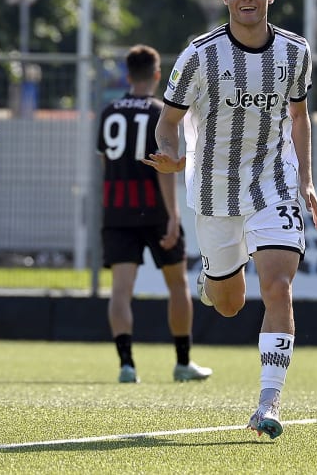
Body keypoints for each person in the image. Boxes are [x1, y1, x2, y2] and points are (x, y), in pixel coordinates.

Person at [142, 0, 317, 440]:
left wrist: (305, 179)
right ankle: (214, 278)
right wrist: (174, 156)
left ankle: (268, 403)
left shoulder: (295, 51)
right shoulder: (199, 56)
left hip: (274, 184)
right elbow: (169, 122)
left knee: (279, 288)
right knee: (228, 304)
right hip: (215, 192)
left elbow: (300, 116)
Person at [97, 44, 212, 384]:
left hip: (117, 212)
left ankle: (126, 365)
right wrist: (173, 216)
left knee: (120, 291)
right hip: (155, 212)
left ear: (128, 75)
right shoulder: (160, 112)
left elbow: (106, 163)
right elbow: (165, 168)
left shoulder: (108, 112)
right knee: (177, 286)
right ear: (157, 75)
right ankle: (182, 362)